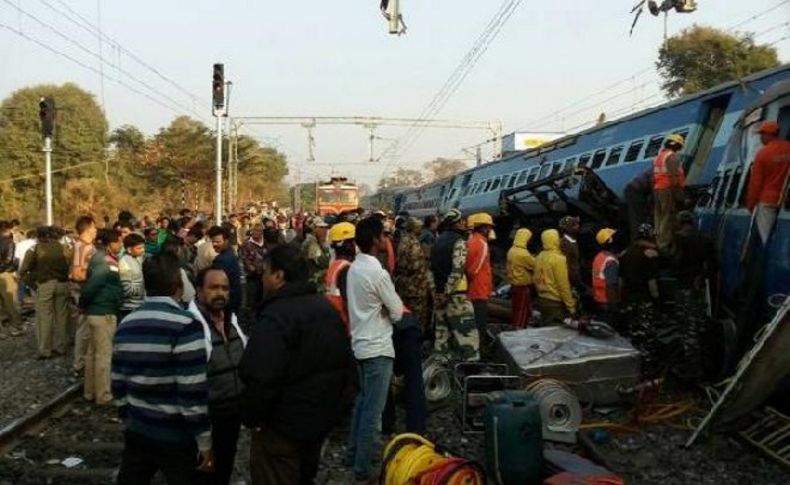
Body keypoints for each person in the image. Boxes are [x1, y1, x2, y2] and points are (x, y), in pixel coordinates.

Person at [240, 244, 353, 485]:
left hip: (282, 429)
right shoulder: (326, 309)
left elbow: (259, 374)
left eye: (265, 272)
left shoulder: (276, 316)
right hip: (318, 422)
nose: (262, 277)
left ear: (279, 275)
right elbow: (347, 367)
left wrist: (252, 418)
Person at [112, 253, 214, 484]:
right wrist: (205, 442)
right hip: (176, 436)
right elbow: (192, 393)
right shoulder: (187, 326)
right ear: (180, 285)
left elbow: (117, 383)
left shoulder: (126, 324)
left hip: (138, 431)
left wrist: (129, 416)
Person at [345, 217, 404, 484]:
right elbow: (398, 311)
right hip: (378, 348)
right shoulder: (377, 273)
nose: (386, 241)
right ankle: (362, 469)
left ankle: (352, 454)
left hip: (358, 345)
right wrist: (387, 310)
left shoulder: (353, 268)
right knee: (373, 412)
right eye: (384, 236)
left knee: (361, 404)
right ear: (377, 240)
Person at [188, 266, 247, 485]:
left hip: (230, 416)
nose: (220, 293)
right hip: (207, 418)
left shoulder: (230, 320)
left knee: (223, 469)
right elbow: (191, 386)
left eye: (225, 288)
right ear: (199, 291)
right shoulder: (192, 326)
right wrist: (203, 441)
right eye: (213, 288)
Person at [671, 211, 717, 380]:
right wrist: (701, 277)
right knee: (701, 325)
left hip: (685, 288)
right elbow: (713, 264)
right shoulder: (706, 239)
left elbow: (676, 262)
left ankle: (693, 371)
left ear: (680, 222)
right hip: (701, 289)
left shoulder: (679, 239)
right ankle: (707, 367)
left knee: (688, 330)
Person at [79, 228, 123, 405]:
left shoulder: (100, 258)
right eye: (117, 241)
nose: (120, 245)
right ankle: (103, 395)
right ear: (108, 243)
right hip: (103, 311)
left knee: (92, 354)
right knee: (103, 355)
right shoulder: (104, 262)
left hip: (97, 311)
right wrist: (82, 304)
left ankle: (90, 391)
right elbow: (93, 285)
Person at [430, 209, 480, 361]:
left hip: (439, 294)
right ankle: (471, 368)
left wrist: (436, 293)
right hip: (456, 295)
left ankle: (441, 368)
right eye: (461, 221)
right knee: (468, 333)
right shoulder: (459, 242)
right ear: (455, 223)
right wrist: (447, 293)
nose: (464, 223)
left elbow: (431, 268)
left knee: (442, 334)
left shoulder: (437, 240)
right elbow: (457, 270)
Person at [18, 226, 70, 357]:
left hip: (44, 285)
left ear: (37, 236)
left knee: (44, 317)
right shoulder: (63, 247)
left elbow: (23, 270)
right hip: (62, 284)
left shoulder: (35, 248)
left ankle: (45, 349)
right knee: (61, 316)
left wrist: (32, 283)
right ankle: (61, 346)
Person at [619, 223, 662, 376]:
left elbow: (620, 282)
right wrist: (657, 299)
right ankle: (648, 370)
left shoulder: (624, 254)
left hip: (629, 300)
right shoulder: (650, 254)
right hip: (644, 300)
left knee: (633, 334)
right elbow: (652, 282)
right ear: (650, 235)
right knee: (647, 336)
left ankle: (633, 368)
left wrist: (621, 299)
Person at [745, 120, 790, 245]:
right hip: (786, 199)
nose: (760, 137)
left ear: (768, 134)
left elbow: (755, 184)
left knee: (765, 239)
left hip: (767, 201)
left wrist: (751, 205)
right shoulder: (788, 147)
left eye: (761, 134)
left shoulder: (762, 154)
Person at [394, 217, 433, 333]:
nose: (421, 229)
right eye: (419, 227)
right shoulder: (414, 243)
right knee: (418, 318)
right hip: (416, 287)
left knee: (406, 316)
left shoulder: (403, 240)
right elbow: (415, 266)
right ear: (414, 228)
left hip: (405, 285)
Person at [71, 215, 98, 374]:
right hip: (84, 290)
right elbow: (77, 273)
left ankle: (82, 362)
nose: (96, 231)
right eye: (94, 227)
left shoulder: (79, 245)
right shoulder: (85, 248)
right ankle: (80, 364)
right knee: (85, 329)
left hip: (81, 289)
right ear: (88, 229)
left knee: (85, 328)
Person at [533, 229, 576, 325]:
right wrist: (571, 306)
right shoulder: (559, 259)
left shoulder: (539, 257)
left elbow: (535, 278)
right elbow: (563, 285)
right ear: (555, 240)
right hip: (555, 303)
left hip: (541, 300)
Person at [465, 213, 495, 343]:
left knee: (474, 321)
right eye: (488, 227)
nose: (490, 230)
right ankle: (480, 352)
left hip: (473, 289)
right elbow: (474, 270)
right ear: (483, 228)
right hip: (479, 289)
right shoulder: (482, 244)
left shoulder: (471, 241)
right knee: (480, 323)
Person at [653, 133, 686, 248]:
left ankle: (658, 241)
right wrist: (679, 195)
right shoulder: (672, 157)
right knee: (668, 216)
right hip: (667, 189)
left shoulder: (660, 156)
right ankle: (664, 243)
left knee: (659, 216)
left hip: (658, 188)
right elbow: (673, 177)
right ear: (676, 145)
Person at [325, 222, 357, 330]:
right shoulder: (346, 269)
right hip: (345, 325)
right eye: (354, 242)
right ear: (347, 245)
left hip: (335, 321)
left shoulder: (335, 264)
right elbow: (350, 303)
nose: (356, 246)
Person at [506, 228, 535, 328]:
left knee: (516, 309)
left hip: (514, 284)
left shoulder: (512, 250)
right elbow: (534, 265)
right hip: (522, 286)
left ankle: (517, 327)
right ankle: (519, 331)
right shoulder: (523, 253)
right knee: (522, 311)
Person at [209, 225, 242, 315]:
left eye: (218, 242)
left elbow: (214, 282)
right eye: (213, 242)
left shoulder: (222, 260)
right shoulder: (231, 254)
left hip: (225, 303)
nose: (214, 244)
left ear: (226, 241)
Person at [591, 228, 620, 323]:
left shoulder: (598, 257)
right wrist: (615, 309)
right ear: (610, 241)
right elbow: (611, 286)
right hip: (608, 305)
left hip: (598, 302)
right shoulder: (610, 262)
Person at [0, 220, 23, 338]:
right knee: (11, 303)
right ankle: (16, 327)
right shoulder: (9, 242)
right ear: (7, 229)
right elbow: (9, 260)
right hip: (4, 275)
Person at [118, 233, 146, 321]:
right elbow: (126, 289)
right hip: (129, 308)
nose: (143, 250)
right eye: (139, 248)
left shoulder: (138, 258)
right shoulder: (124, 263)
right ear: (129, 249)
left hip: (139, 305)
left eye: (143, 247)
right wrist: (142, 288)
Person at [240, 223, 267, 312]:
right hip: (252, 277)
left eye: (258, 231)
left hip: (265, 277)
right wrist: (255, 270)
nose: (256, 233)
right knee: (252, 300)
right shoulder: (246, 244)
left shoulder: (266, 242)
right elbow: (245, 260)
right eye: (254, 231)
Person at [624, 167, 654, 241]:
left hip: (638, 190)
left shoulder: (657, 169)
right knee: (638, 217)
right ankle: (638, 240)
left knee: (642, 215)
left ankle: (642, 237)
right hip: (635, 191)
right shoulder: (659, 173)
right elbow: (655, 191)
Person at [301, 217, 331, 290]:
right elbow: (323, 262)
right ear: (314, 229)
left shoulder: (317, 241)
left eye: (325, 227)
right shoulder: (311, 243)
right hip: (314, 283)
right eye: (321, 227)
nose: (325, 230)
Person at [558, 215, 581, 289]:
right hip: (571, 279)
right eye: (574, 225)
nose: (578, 226)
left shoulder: (572, 240)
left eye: (577, 224)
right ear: (567, 229)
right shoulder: (565, 244)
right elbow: (567, 265)